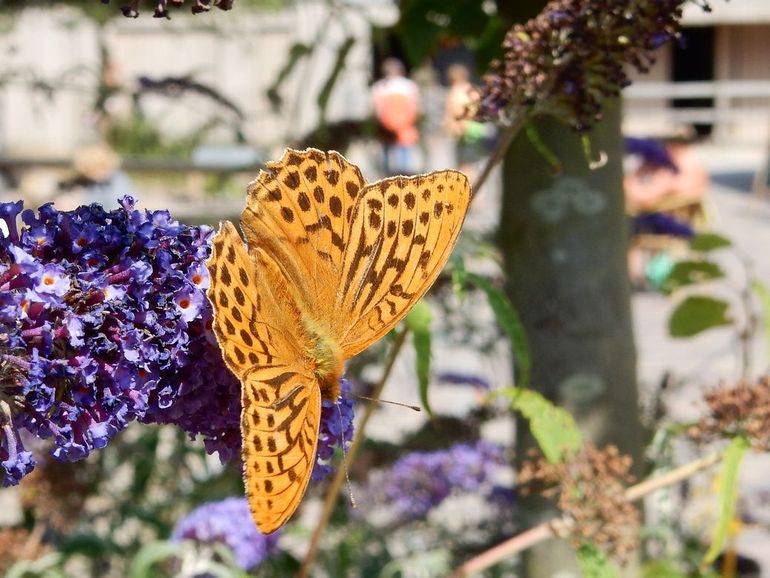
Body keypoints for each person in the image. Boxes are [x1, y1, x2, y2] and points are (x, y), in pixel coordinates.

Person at [370, 58, 421, 176]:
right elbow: (415, 107)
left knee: (387, 156)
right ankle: (404, 180)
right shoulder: (409, 86)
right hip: (406, 126)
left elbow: (376, 110)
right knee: (405, 156)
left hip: (386, 127)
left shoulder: (379, 87)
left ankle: (387, 180)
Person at [442, 63, 487, 176]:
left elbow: (453, 114)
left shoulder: (455, 92)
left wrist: (451, 129)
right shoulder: (474, 90)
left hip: (463, 133)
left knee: (464, 166)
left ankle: (468, 191)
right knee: (475, 164)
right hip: (476, 131)